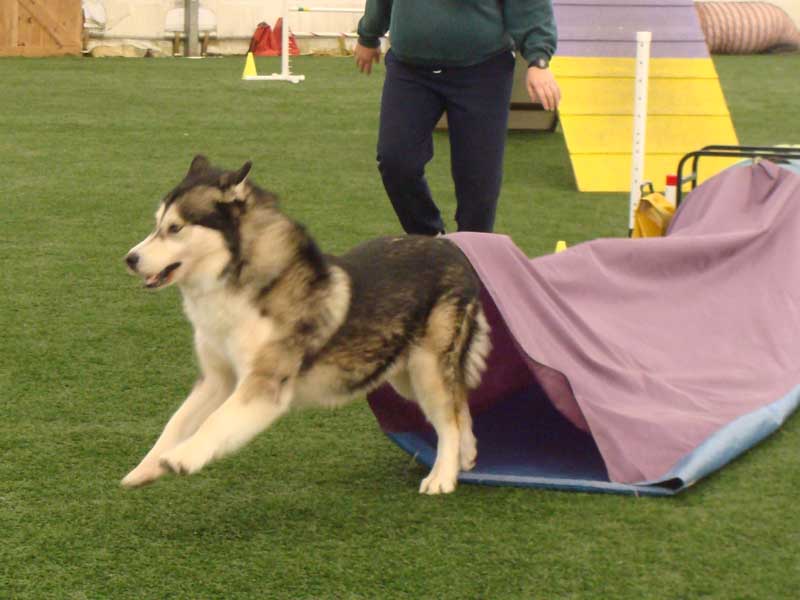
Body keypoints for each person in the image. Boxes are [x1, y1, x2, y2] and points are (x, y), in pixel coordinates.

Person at [355, 0, 561, 235]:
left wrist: (538, 59)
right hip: (410, 70)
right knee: (396, 161)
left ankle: (473, 253)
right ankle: (430, 239)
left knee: (479, 182)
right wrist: (368, 34)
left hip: (483, 71)